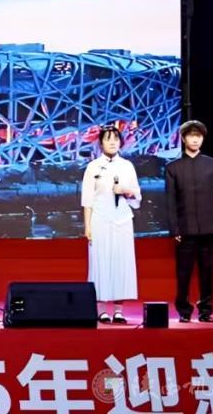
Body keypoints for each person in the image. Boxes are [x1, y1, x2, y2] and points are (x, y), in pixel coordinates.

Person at [164, 120, 213, 323]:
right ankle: (184, 310)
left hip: (210, 227)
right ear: (183, 139)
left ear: (203, 139)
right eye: (191, 136)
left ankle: (206, 310)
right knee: (183, 273)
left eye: (198, 136)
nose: (195, 139)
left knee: (207, 273)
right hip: (185, 229)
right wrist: (174, 228)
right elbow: (170, 201)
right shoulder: (173, 167)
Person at [81, 124, 141, 324]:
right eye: (108, 139)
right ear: (101, 143)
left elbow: (137, 195)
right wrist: (87, 226)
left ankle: (118, 311)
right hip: (100, 219)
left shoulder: (127, 166)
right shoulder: (93, 166)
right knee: (100, 263)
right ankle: (101, 310)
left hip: (122, 220)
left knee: (120, 263)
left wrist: (125, 190)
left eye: (116, 139)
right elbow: (87, 199)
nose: (113, 142)